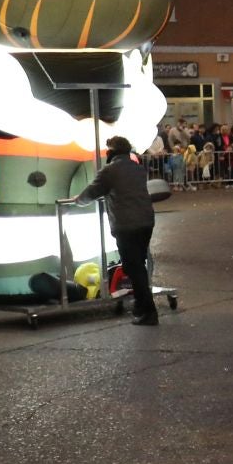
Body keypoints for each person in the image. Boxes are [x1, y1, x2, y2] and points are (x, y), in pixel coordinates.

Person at [75, 136, 161, 326]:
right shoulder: (137, 168)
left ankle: (148, 311)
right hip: (146, 221)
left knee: (133, 267)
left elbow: (92, 191)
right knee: (138, 264)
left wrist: (77, 200)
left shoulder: (110, 170)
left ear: (112, 152)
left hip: (126, 224)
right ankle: (141, 307)